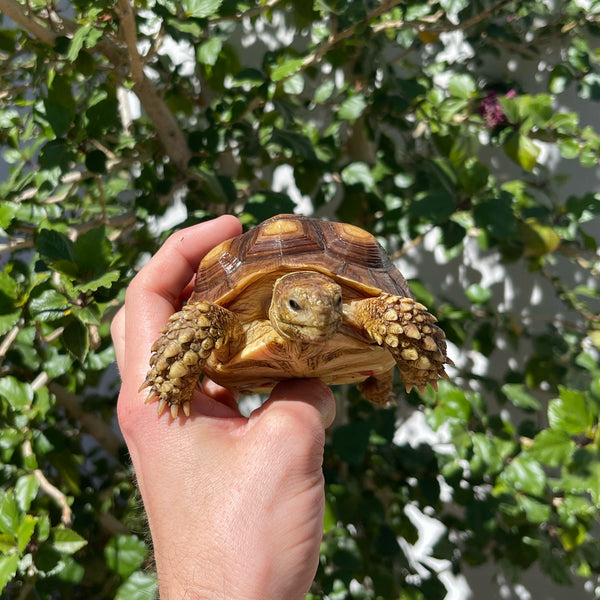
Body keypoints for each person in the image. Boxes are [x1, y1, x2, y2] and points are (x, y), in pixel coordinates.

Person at [111, 215, 336, 600]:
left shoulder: (343, 310)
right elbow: (200, 318)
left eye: (335, 304)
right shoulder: (227, 319)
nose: (319, 317)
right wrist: (170, 381)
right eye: (297, 306)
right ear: (282, 300)